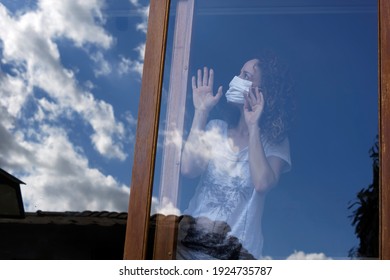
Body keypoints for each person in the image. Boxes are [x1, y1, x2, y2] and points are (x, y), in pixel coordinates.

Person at [177, 54, 294, 260]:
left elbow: (262, 183)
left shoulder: (276, 143)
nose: (237, 79)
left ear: (264, 92)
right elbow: (188, 169)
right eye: (239, 73)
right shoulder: (216, 128)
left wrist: (253, 125)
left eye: (246, 76)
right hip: (190, 249)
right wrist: (201, 112)